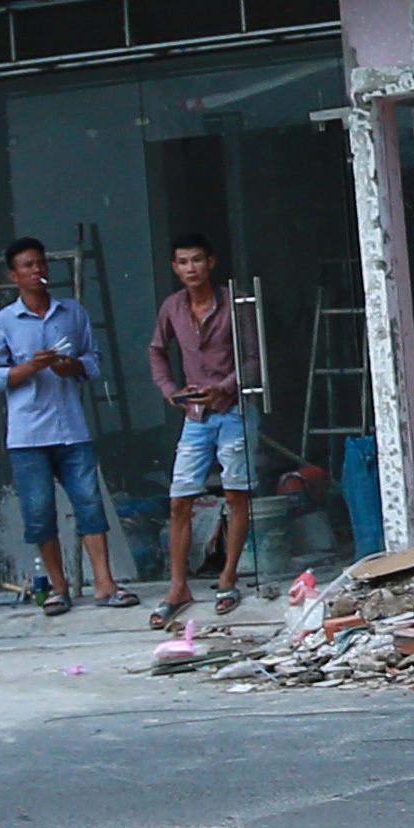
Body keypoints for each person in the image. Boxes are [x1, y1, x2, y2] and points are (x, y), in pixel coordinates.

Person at [0, 241, 123, 613]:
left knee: (89, 503)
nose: (36, 270)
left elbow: (93, 361)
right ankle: (59, 588)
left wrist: (70, 366)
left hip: (72, 428)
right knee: (40, 512)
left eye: (40, 263)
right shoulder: (2, 322)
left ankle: (105, 583)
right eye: (27, 266)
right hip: (28, 435)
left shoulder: (72, 313)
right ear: (14, 275)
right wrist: (31, 366)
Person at [141, 235, 256, 635]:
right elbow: (156, 349)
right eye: (182, 263)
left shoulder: (234, 302)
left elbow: (254, 359)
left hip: (233, 409)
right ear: (176, 268)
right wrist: (169, 389)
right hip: (194, 414)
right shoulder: (172, 307)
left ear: (211, 262)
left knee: (236, 494)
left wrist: (224, 386)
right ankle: (178, 587)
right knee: (179, 500)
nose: (191, 268)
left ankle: (228, 577)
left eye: (197, 261)